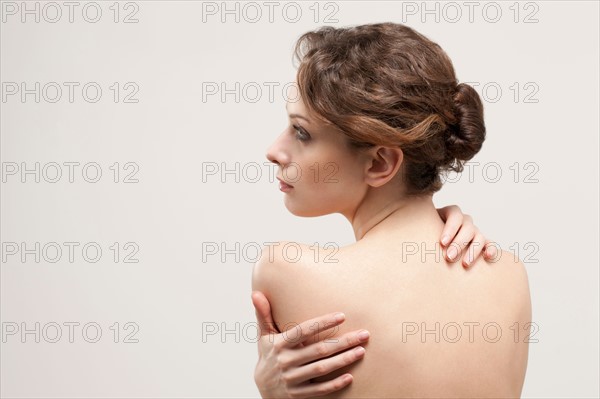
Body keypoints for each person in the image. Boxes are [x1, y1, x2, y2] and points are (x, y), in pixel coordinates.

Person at [252, 22, 531, 398]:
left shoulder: (284, 269)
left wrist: (268, 392)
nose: (274, 150)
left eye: (301, 132)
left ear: (380, 163)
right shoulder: (508, 274)